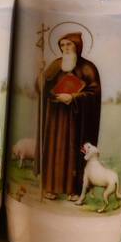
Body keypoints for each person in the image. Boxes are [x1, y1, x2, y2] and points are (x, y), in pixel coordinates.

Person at [37, 31, 101, 199]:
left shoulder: (87, 68)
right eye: (62, 45)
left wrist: (73, 97)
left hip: (76, 120)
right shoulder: (56, 65)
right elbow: (41, 89)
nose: (65, 48)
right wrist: (42, 75)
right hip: (56, 118)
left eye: (69, 44)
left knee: (73, 152)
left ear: (77, 46)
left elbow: (94, 92)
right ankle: (51, 187)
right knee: (54, 151)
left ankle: (74, 189)